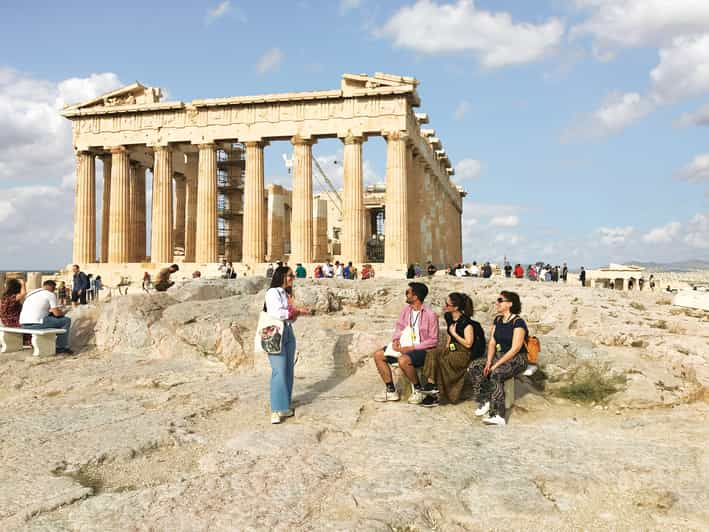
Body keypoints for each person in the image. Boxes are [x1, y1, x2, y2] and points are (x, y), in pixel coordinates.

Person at [372, 282, 439, 404]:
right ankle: (391, 390)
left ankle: (418, 390)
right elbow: (399, 327)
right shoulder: (406, 311)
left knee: (403, 360)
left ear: (415, 296)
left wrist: (412, 347)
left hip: (421, 349)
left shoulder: (430, 315)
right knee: (378, 355)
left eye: (408, 292)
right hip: (404, 345)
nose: (406, 295)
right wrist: (396, 340)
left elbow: (433, 340)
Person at [468, 291, 528, 426]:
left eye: (500, 300)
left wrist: (495, 365)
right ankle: (486, 399)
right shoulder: (498, 320)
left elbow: (515, 349)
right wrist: (489, 361)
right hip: (500, 356)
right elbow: (492, 342)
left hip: (517, 359)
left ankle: (498, 415)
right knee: (475, 366)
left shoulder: (518, 322)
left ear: (510, 304)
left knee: (497, 373)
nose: (497, 303)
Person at [264, 266, 310, 424]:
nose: (293, 278)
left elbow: (289, 318)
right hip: (275, 333)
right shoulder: (272, 292)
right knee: (279, 371)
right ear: (282, 276)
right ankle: (275, 410)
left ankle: (285, 405)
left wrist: (296, 312)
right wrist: (296, 312)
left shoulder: (286, 294)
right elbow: (276, 313)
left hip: (288, 331)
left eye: (293, 275)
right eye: (290, 275)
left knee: (288, 369)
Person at [420, 292, 477, 407]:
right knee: (432, 353)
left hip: (463, 353)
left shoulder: (466, 323)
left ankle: (434, 396)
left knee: (442, 361)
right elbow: (449, 335)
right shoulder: (448, 316)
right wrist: (446, 348)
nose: (445, 306)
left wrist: (455, 334)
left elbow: (468, 344)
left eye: (447, 304)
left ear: (455, 308)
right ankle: (431, 386)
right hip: (452, 348)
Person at [19, 280, 73, 355]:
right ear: (52, 287)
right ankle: (61, 347)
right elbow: (57, 313)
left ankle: (54, 343)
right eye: (54, 288)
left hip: (23, 325)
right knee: (66, 320)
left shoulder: (31, 294)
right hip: (36, 324)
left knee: (52, 320)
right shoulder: (50, 294)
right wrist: (63, 312)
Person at [1, 278, 30, 346]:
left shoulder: (4, 297)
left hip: (6, 321)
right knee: (31, 327)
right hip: (13, 321)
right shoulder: (12, 297)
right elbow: (23, 293)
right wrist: (23, 283)